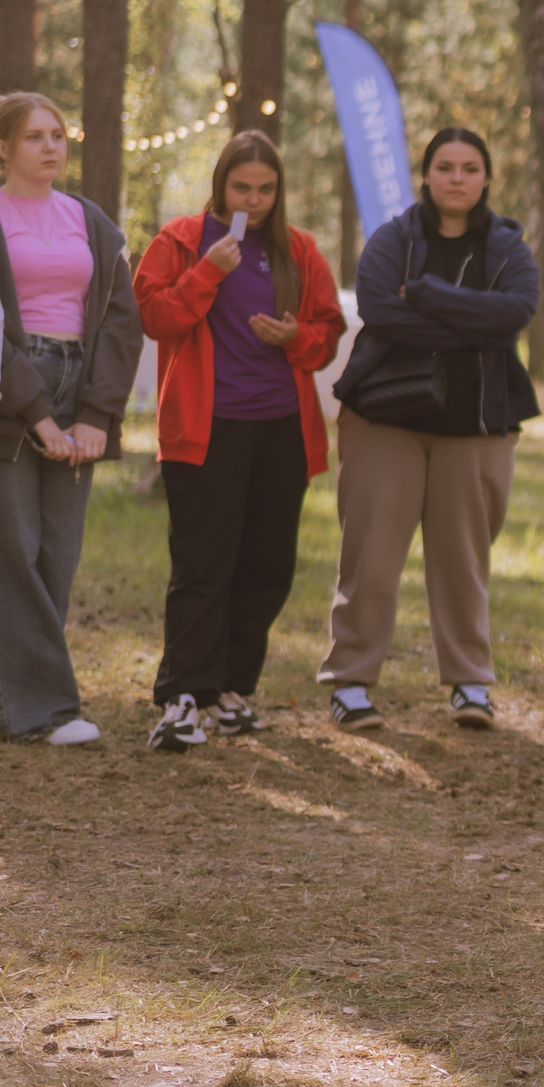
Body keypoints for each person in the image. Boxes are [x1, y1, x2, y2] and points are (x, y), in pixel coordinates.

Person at [320, 127, 541, 732]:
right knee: (370, 555)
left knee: (463, 558)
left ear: (487, 178)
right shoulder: (395, 238)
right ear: (427, 175)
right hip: (386, 418)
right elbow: (378, 307)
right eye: (446, 166)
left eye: (470, 168)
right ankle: (352, 684)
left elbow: (517, 311)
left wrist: (426, 295)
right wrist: (474, 326)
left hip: (475, 424)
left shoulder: (507, 246)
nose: (457, 178)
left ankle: (471, 684)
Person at [135, 132, 347, 751]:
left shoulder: (298, 251)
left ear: (278, 192)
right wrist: (209, 271)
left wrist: (293, 338)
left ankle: (231, 692)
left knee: (267, 566)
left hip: (281, 429)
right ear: (220, 185)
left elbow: (325, 334)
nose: (253, 200)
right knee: (204, 565)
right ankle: (181, 700)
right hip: (204, 431)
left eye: (265, 189)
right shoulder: (180, 241)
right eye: (241, 187)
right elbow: (156, 317)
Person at [0, 93, 141, 745]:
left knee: (56, 553)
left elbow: (120, 320)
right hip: (8, 389)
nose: (52, 146)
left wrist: (94, 415)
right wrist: (35, 414)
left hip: (78, 385)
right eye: (34, 136)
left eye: (58, 134)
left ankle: (13, 703)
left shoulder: (91, 220)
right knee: (13, 549)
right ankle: (49, 709)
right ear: (3, 148)